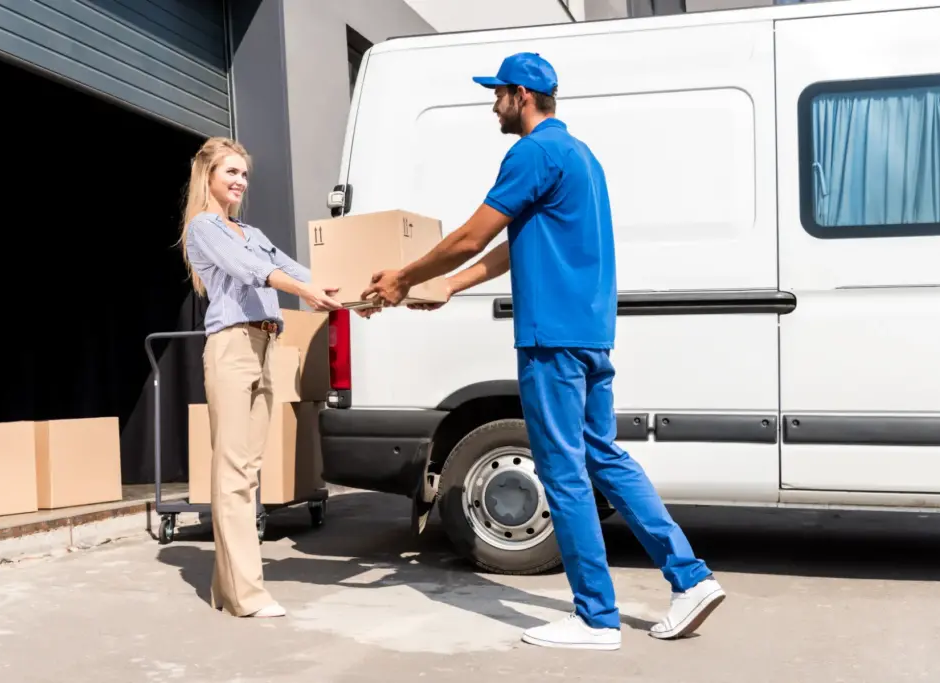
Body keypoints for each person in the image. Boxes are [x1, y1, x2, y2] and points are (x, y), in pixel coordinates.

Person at [361, 53, 725, 650]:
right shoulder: (581, 156)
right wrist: (450, 284)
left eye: (497, 93)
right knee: (603, 458)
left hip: (550, 337)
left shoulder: (531, 152)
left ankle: (596, 617)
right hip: (588, 334)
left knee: (562, 472)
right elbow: (513, 243)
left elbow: (473, 234)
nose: (493, 104)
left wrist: (404, 276)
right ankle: (690, 578)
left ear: (522, 96)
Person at [180, 137, 341, 618]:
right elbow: (253, 272)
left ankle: (228, 589)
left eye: (244, 175)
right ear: (207, 176)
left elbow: (298, 269)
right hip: (232, 346)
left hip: (268, 344)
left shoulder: (249, 229)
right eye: (230, 172)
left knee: (249, 472)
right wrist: (304, 291)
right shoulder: (204, 228)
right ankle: (246, 594)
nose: (239, 182)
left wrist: (352, 294)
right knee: (233, 472)